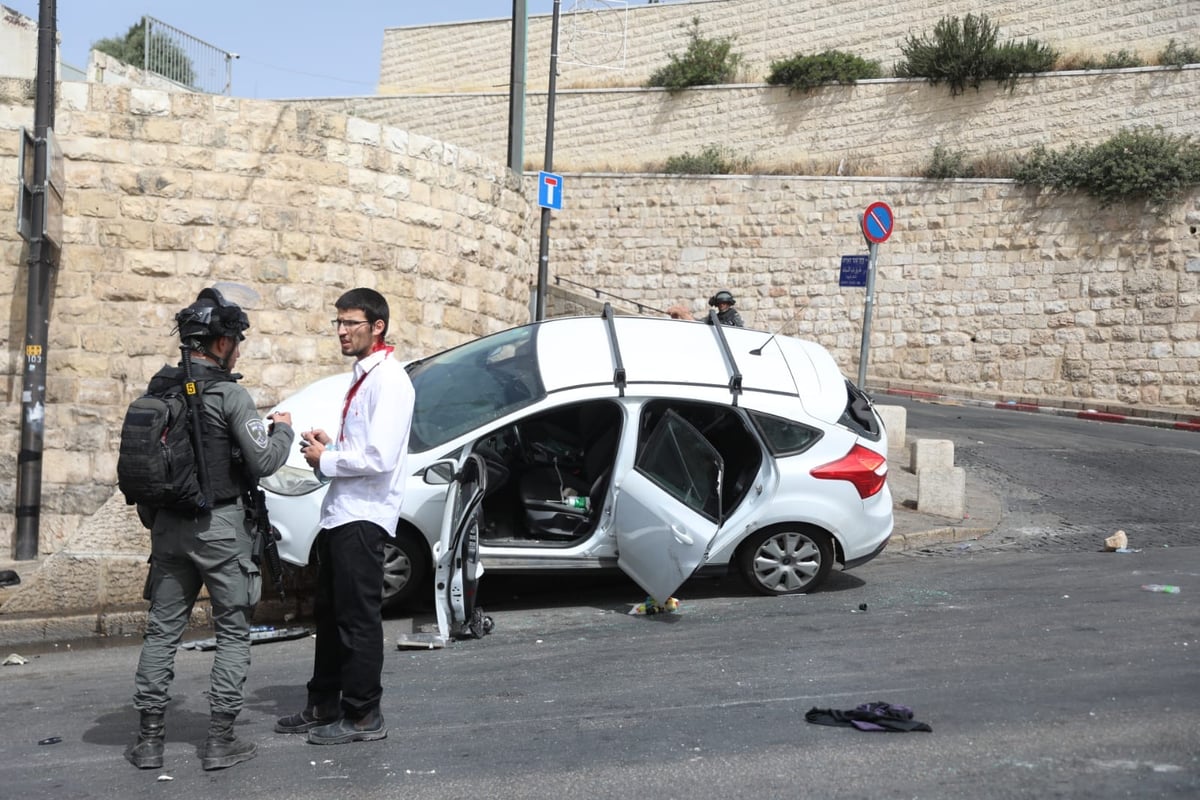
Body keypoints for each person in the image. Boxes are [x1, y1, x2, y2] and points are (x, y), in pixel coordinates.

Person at [126, 287, 295, 772]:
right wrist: (281, 427)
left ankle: (149, 741)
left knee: (161, 633)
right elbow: (262, 461)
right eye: (236, 340)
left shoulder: (159, 390)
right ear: (221, 344)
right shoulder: (229, 393)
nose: (238, 348)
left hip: (168, 529)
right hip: (220, 528)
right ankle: (220, 741)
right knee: (233, 631)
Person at [275, 288, 415, 746]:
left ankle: (363, 715)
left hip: (364, 516)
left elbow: (380, 456)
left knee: (357, 619)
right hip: (340, 514)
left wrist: (325, 459)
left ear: (377, 327)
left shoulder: (390, 380)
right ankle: (325, 704)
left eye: (350, 323)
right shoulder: (364, 376)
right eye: (337, 322)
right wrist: (330, 446)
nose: (341, 331)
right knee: (330, 614)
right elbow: (361, 449)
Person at [666, 290, 745, 327]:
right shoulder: (714, 317)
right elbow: (698, 324)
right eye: (720, 303)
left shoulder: (734, 316)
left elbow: (739, 331)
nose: (722, 305)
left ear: (729, 304)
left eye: (724, 303)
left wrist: (681, 313)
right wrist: (682, 314)